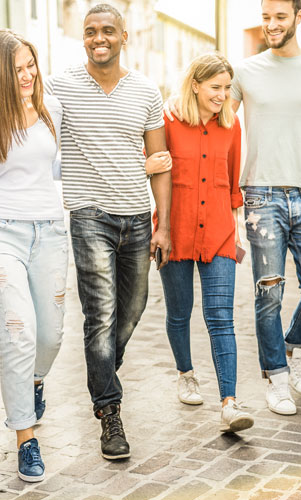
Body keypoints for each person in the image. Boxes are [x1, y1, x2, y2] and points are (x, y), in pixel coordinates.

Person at [167, 0, 301, 416]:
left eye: (280, 17)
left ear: (298, 18)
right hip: (260, 196)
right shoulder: (245, 72)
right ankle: (276, 377)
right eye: (265, 17)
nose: (271, 25)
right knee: (269, 292)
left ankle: (292, 345)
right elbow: (211, 112)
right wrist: (175, 109)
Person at [44, 3, 172, 460]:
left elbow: (161, 164)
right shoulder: (59, 88)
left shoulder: (145, 91)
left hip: (138, 218)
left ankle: (102, 369)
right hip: (89, 215)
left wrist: (164, 224)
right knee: (100, 317)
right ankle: (109, 411)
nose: (99, 38)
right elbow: (29, 126)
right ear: (84, 38)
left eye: (107, 31)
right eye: (90, 32)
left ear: (123, 36)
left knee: (132, 309)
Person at [155, 53, 254, 433]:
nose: (223, 95)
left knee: (220, 318)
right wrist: (160, 226)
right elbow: (154, 171)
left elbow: (231, 187)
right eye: (216, 87)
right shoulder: (167, 120)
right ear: (195, 84)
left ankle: (229, 403)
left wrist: (235, 228)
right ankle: (185, 373)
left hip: (218, 233)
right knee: (179, 313)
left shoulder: (232, 125)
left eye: (227, 88)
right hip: (174, 230)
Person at [0, 29, 67, 482]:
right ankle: (25, 437)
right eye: (18, 69)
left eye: (31, 65)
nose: (28, 75)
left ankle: (35, 381)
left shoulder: (51, 109)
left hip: (50, 233)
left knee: (51, 337)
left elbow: (61, 170)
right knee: (18, 333)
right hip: (4, 234)